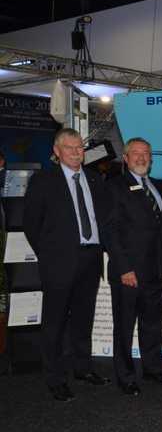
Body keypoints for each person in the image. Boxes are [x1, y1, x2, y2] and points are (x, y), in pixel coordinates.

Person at [23, 128, 114, 402]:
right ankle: (55, 378)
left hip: (90, 259)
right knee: (55, 323)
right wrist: (50, 254)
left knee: (83, 320)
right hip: (59, 262)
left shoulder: (95, 179)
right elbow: (31, 225)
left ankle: (82, 369)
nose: (77, 152)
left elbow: (105, 218)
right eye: (70, 148)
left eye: (79, 148)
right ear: (57, 151)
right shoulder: (43, 180)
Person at [106, 138, 162, 396]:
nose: (142, 158)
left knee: (153, 324)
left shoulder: (158, 187)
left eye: (146, 153)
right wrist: (124, 268)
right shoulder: (114, 187)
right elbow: (110, 231)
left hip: (155, 270)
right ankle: (125, 376)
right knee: (124, 327)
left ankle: (153, 369)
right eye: (136, 154)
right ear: (126, 157)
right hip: (128, 272)